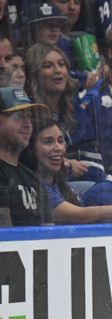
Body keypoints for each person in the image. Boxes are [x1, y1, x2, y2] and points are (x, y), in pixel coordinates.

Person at [22, 116, 112, 223]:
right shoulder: (35, 189)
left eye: (60, 141)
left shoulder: (56, 183)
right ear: (31, 148)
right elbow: (81, 216)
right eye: (48, 142)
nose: (58, 147)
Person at [0, 87, 52, 226]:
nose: (28, 124)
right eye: (18, 116)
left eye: (29, 116)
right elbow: (5, 237)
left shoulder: (33, 179)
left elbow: (49, 235)